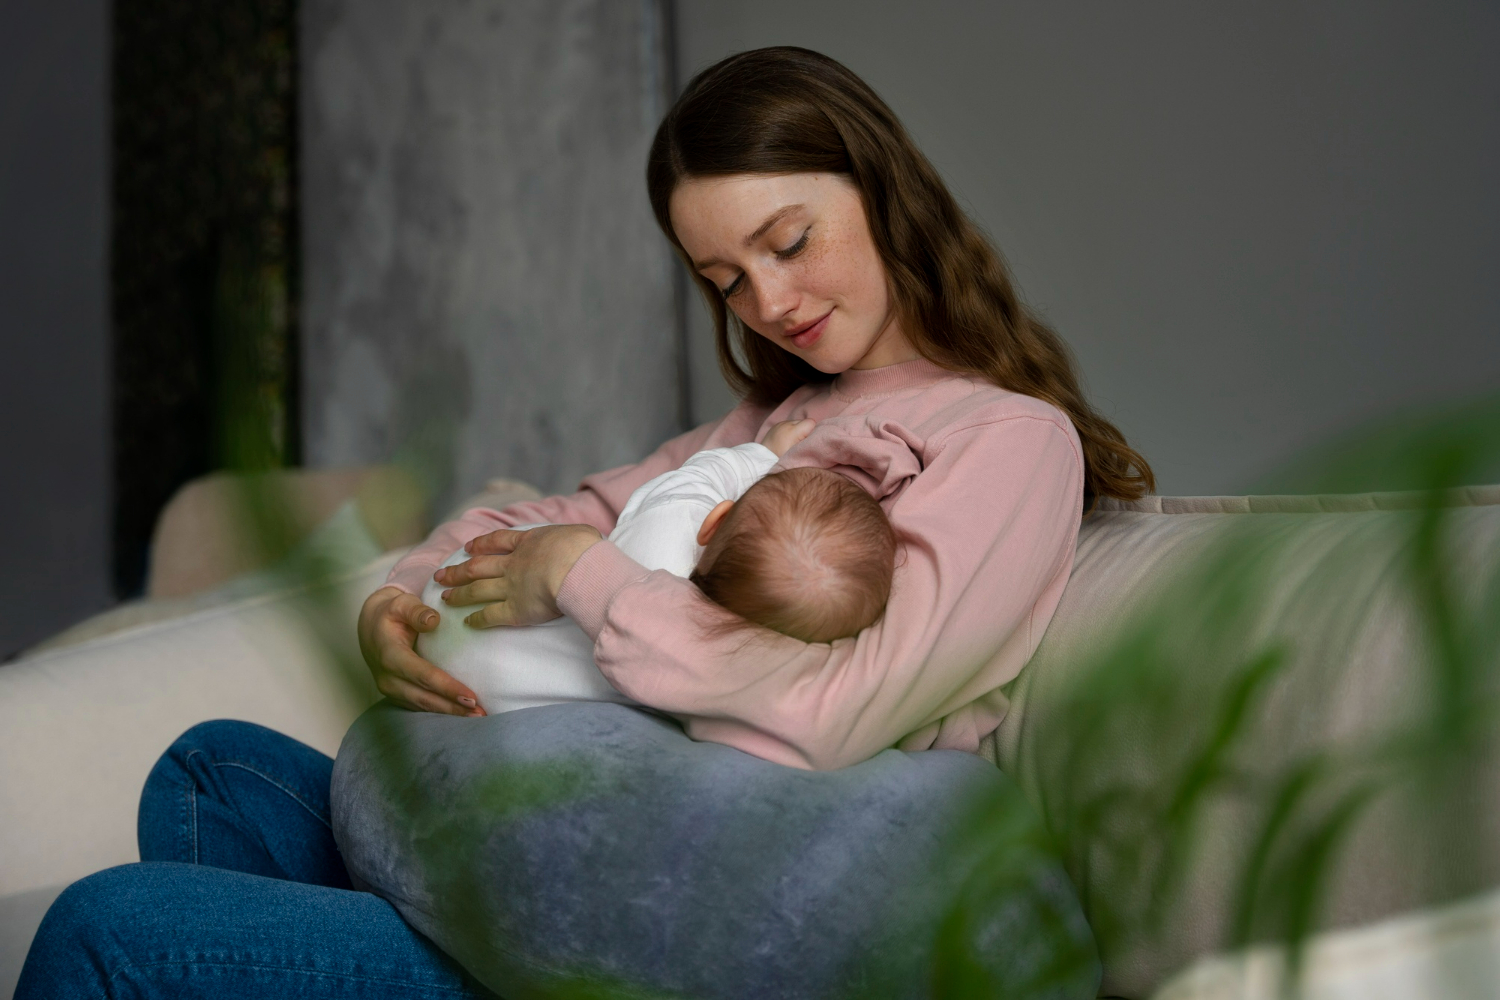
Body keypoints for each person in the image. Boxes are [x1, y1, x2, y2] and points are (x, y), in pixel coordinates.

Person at [17, 46, 1152, 998]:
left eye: (788, 242)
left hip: (711, 892)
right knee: (213, 769)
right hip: (590, 825)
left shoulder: (1005, 440)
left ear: (882, 190)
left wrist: (581, 578)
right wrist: (398, 597)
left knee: (107, 928)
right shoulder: (777, 414)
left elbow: (843, 707)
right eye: (725, 279)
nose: (769, 302)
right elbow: (556, 514)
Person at [418, 418, 898, 714]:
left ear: (715, 521)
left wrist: (764, 454)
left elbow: (703, 474)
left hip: (453, 604)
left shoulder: (673, 521)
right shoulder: (700, 663)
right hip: (497, 701)